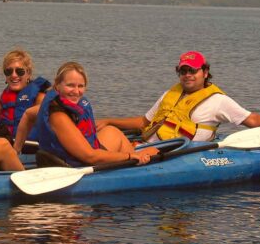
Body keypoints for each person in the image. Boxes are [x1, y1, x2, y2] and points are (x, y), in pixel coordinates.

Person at [96, 51, 260, 142]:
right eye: (183, 71)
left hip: (175, 154)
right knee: (108, 132)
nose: (188, 75)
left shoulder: (218, 101)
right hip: (146, 146)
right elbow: (143, 122)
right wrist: (108, 120)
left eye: (193, 70)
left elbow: (253, 120)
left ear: (205, 72)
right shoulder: (169, 94)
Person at [13, 62, 159, 167]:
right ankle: (139, 163)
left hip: (73, 155)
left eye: (80, 86)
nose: (76, 91)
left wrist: (16, 150)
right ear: (57, 85)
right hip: (76, 163)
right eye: (70, 85)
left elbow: (27, 115)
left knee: (112, 131)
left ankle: (137, 159)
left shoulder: (53, 101)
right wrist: (130, 156)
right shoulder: (59, 116)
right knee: (144, 149)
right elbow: (90, 156)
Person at [0, 49, 50, 146]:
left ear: (28, 74)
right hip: (3, 147)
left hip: (30, 149)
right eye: (8, 71)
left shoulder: (40, 99)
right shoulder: (0, 104)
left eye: (20, 71)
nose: (14, 75)